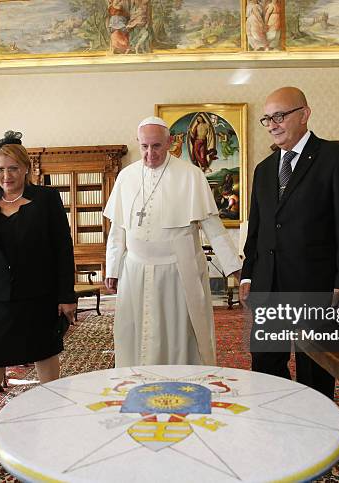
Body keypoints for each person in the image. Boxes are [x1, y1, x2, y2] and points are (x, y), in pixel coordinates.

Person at [0, 130, 77, 457]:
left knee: (45, 356)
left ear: (25, 169)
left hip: (40, 296)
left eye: (12, 169)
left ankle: (54, 421)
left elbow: (63, 249)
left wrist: (67, 296)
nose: (6, 176)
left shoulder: (46, 200)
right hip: (0, 301)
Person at [239, 87, 339, 399]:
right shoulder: (264, 169)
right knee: (266, 365)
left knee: (315, 371)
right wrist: (248, 273)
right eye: (267, 118)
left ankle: (317, 433)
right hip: (269, 285)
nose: (272, 124)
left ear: (304, 114)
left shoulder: (336, 159)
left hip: (316, 285)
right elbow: (258, 228)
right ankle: (275, 425)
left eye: (279, 116)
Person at [104, 116, 242, 367]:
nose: (149, 153)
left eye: (156, 146)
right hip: (135, 269)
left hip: (178, 271)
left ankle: (183, 379)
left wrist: (234, 267)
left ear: (169, 142)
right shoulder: (126, 176)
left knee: (181, 335)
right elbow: (118, 229)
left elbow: (213, 226)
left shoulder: (191, 175)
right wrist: (112, 269)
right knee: (135, 331)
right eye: (144, 146)